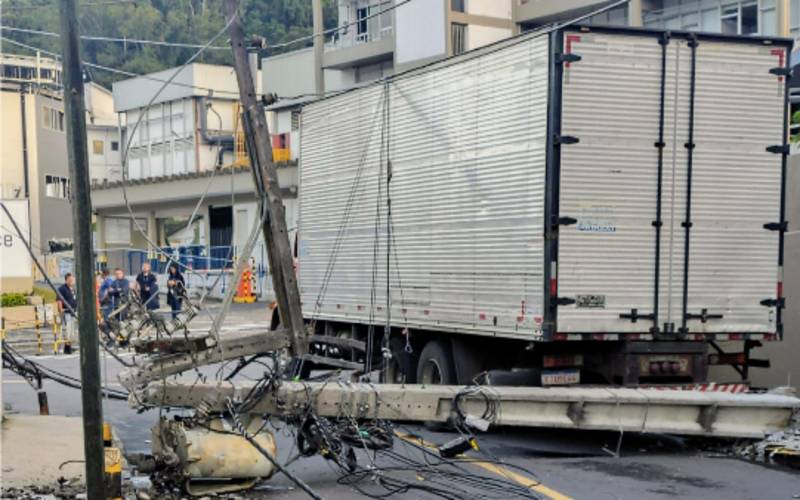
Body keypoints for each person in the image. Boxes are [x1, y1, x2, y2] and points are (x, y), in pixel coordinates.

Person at [56, 273, 77, 354]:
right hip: (66, 312)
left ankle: (69, 346)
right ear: (66, 280)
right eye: (70, 280)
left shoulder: (73, 289)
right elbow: (59, 300)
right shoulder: (62, 288)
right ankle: (67, 347)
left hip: (73, 312)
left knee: (72, 330)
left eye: (72, 279)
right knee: (67, 329)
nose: (72, 281)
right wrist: (60, 309)